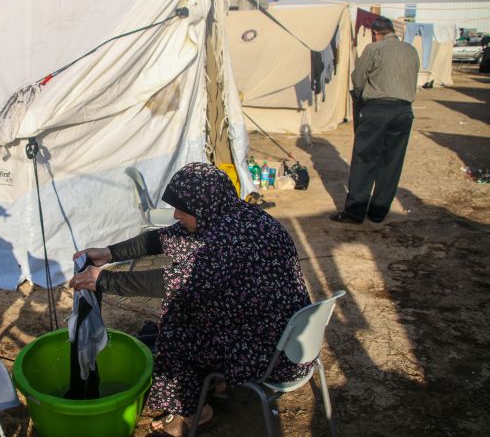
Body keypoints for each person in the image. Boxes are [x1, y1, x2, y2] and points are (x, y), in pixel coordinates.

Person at [68, 163, 311, 436]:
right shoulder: (236, 214)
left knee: (177, 330)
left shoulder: (227, 242)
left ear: (203, 205)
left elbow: (171, 282)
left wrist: (102, 280)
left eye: (182, 209)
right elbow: (161, 239)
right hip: (286, 334)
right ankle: (216, 383)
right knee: (188, 312)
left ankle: (194, 412)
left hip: (269, 351)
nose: (175, 214)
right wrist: (109, 253)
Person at [331, 16, 419, 224]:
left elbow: (358, 79)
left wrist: (362, 100)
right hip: (404, 110)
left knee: (365, 159)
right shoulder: (411, 50)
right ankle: (379, 211)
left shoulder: (373, 49)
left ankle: (355, 211)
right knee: (392, 161)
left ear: (375, 33)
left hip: (378, 109)